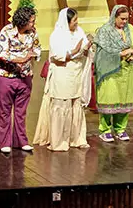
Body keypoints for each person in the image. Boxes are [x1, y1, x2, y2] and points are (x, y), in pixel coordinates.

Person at [33, 8, 92, 151]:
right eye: (74, 20)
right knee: (62, 104)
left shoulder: (79, 31)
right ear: (66, 22)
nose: (77, 23)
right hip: (62, 73)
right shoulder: (57, 35)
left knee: (75, 103)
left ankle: (76, 138)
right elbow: (57, 56)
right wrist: (75, 50)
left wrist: (87, 47)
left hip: (76, 73)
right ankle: (59, 141)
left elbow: (84, 50)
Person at [0, 4, 41, 155]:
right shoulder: (6, 32)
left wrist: (33, 55)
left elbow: (37, 49)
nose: (33, 24)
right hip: (6, 76)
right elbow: (3, 54)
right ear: (23, 21)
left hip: (25, 76)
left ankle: (21, 141)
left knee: (21, 112)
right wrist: (22, 58)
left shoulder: (33, 33)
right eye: (31, 21)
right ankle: (4, 142)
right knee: (5, 111)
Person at [93, 5, 133, 143]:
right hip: (109, 71)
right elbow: (102, 53)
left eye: (126, 19)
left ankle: (120, 129)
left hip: (126, 70)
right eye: (122, 19)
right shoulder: (105, 31)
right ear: (114, 17)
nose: (124, 22)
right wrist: (122, 53)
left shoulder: (130, 29)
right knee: (109, 98)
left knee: (124, 99)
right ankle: (105, 130)